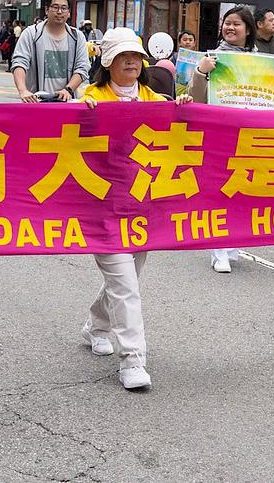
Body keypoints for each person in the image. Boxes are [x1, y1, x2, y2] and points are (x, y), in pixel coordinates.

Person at [79, 27, 193, 390]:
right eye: (123, 56)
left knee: (128, 277)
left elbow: (180, 128)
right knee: (125, 283)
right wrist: (81, 113)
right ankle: (132, 359)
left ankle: (96, 325)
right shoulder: (91, 97)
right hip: (102, 205)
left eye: (136, 57)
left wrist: (183, 107)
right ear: (107, 61)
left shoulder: (155, 99)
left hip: (144, 204)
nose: (131, 62)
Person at [188, 6, 259, 273]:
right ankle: (218, 249)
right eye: (227, 23)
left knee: (242, 189)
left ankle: (232, 243)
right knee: (220, 189)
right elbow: (195, 97)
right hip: (220, 132)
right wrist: (201, 71)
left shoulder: (260, 60)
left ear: (248, 29)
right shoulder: (212, 58)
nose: (230, 28)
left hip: (249, 133)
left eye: (236, 24)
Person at [11, 0, 90, 102]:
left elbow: (82, 67)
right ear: (46, 10)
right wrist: (23, 90)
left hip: (67, 101)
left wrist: (68, 90)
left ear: (69, 12)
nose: (59, 12)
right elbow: (19, 62)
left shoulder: (77, 37)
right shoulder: (31, 34)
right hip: (36, 101)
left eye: (64, 8)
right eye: (55, 7)